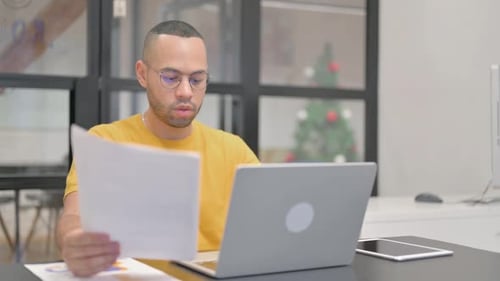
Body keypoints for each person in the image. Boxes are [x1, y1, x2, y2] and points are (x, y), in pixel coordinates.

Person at [56, 20, 259, 277]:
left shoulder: (233, 151)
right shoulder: (106, 141)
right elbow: (73, 216)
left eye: (197, 79)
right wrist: (73, 240)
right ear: (142, 74)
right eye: (171, 78)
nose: (186, 92)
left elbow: (268, 221)